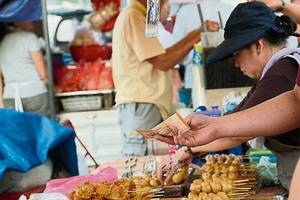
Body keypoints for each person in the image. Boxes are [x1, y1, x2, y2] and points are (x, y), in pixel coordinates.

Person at [155, 1, 300, 190]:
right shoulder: (277, 71)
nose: (236, 64)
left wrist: (189, 148)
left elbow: (240, 131)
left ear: (258, 45)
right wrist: (205, 133)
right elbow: (240, 117)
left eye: (237, 54)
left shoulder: (281, 74)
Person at [112, 0, 218, 156]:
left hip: (155, 104)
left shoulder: (147, 12)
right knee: (141, 166)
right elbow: (163, 61)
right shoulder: (133, 16)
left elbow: (160, 42)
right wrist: (198, 33)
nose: (165, 3)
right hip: (142, 105)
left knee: (164, 163)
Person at [172, 0, 235, 88]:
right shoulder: (232, 10)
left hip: (194, 78)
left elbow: (177, 53)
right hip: (227, 77)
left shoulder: (184, 12)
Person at [0, 21, 49, 116]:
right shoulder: (30, 38)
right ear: (16, 22)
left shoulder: (2, 42)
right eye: (26, 18)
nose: (32, 20)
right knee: (39, 129)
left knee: (17, 130)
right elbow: (43, 74)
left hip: (10, 96)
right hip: (34, 94)